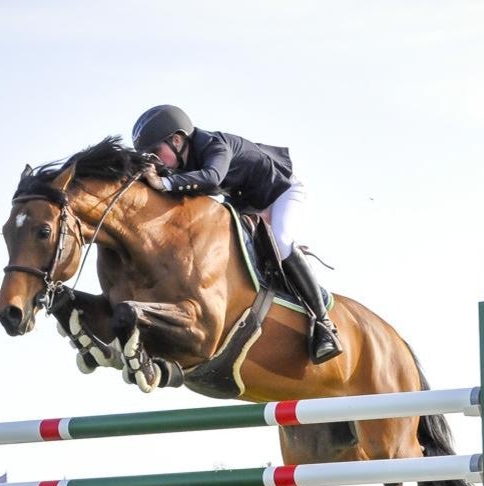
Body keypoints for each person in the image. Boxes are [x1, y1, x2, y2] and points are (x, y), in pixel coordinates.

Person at [130, 105, 343, 364]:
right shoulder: (181, 161)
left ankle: (324, 326)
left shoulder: (215, 145)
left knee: (281, 241)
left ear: (177, 139)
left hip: (282, 193)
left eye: (155, 152)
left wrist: (163, 182)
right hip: (248, 206)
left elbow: (211, 178)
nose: (155, 160)